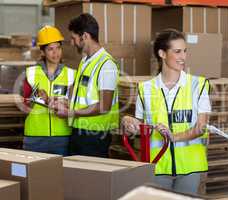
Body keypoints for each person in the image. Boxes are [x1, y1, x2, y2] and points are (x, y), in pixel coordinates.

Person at [122, 29, 211, 194]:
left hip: (190, 168)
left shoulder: (198, 85)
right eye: (177, 52)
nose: (183, 57)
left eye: (185, 51)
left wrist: (174, 137)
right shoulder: (145, 89)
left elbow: (201, 127)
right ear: (162, 53)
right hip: (157, 166)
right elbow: (140, 128)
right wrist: (129, 123)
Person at [49, 13, 119, 157]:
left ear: (85, 36)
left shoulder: (106, 65)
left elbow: (104, 106)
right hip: (79, 131)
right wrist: (65, 103)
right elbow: (82, 95)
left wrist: (70, 112)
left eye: (74, 38)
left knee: (91, 178)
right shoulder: (85, 61)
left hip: (95, 135)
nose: (73, 43)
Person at [23, 25, 76, 156]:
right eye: (50, 49)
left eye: (58, 48)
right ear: (42, 52)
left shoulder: (71, 74)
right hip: (34, 137)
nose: (55, 53)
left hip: (62, 136)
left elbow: (75, 104)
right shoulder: (31, 73)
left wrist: (56, 102)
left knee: (60, 176)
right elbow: (25, 104)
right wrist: (37, 98)